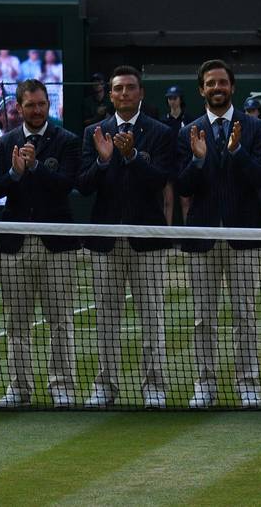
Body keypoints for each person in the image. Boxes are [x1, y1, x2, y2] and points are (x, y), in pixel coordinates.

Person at [175, 59, 261, 409]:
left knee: (245, 315)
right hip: (202, 234)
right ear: (201, 89)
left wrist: (237, 152)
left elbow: (260, 178)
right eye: (210, 83)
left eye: (222, 82)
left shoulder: (255, 128)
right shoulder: (188, 132)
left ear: (232, 86)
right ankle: (205, 384)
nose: (217, 88)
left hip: (242, 233)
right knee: (204, 317)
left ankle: (248, 384)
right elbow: (183, 186)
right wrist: (198, 160)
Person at [78, 66, 175, 409]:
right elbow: (84, 185)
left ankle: (154, 387)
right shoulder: (93, 132)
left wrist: (132, 156)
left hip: (146, 238)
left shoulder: (160, 133)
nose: (124, 93)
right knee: (106, 318)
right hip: (106, 239)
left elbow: (160, 179)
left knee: (152, 317)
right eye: (118, 88)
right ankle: (105, 385)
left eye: (130, 88)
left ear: (140, 93)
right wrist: (104, 161)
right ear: (110, 94)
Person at [0, 79, 80, 408]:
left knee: (60, 320)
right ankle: (19, 387)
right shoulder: (5, 143)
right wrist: (15, 173)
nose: (37, 110)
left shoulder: (67, 140)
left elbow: (67, 184)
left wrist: (36, 166)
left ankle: (62, 387)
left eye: (42, 104)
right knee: (17, 322)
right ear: (19, 107)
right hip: (15, 244)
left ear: (48, 105)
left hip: (56, 244)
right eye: (30, 105)